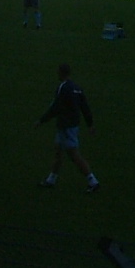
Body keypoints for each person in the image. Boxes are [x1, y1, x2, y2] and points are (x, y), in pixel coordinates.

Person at [36, 63, 100, 192]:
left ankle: (93, 181)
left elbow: (55, 107)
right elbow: (85, 107)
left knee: (74, 155)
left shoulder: (62, 88)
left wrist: (42, 120)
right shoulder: (77, 88)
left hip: (66, 127)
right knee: (58, 152)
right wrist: (90, 124)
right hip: (72, 125)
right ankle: (51, 180)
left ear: (60, 73)